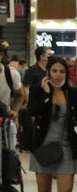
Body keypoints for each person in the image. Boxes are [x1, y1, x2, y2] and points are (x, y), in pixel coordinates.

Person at [27, 55, 77, 192]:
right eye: (54, 71)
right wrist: (45, 94)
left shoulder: (72, 93)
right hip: (42, 146)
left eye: (62, 72)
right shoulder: (37, 90)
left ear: (66, 74)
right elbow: (32, 111)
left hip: (66, 146)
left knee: (66, 189)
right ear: (48, 72)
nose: (58, 75)